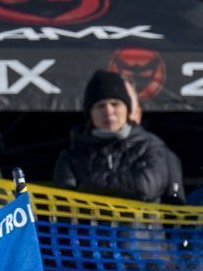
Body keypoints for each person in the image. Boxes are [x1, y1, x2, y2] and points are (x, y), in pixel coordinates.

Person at [52, 69, 181, 203]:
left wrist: (88, 185)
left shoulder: (150, 146)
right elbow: (65, 204)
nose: (108, 111)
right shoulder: (71, 156)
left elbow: (144, 187)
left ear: (128, 109)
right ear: (90, 113)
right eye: (100, 106)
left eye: (115, 104)